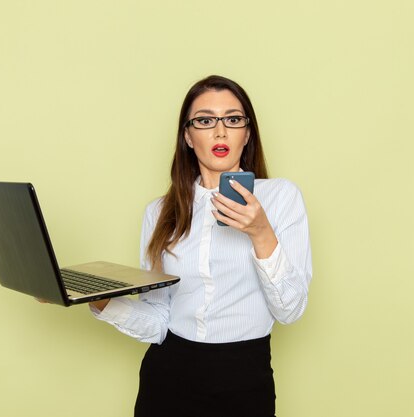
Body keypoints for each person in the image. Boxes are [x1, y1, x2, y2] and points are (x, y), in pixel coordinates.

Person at [90, 75, 312, 417]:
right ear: (188, 137)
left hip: (245, 379)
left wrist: (261, 232)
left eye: (233, 120)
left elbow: (291, 310)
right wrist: (100, 300)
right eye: (206, 121)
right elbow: (160, 319)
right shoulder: (160, 212)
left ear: (247, 133)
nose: (220, 132)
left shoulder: (281, 198)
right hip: (167, 380)